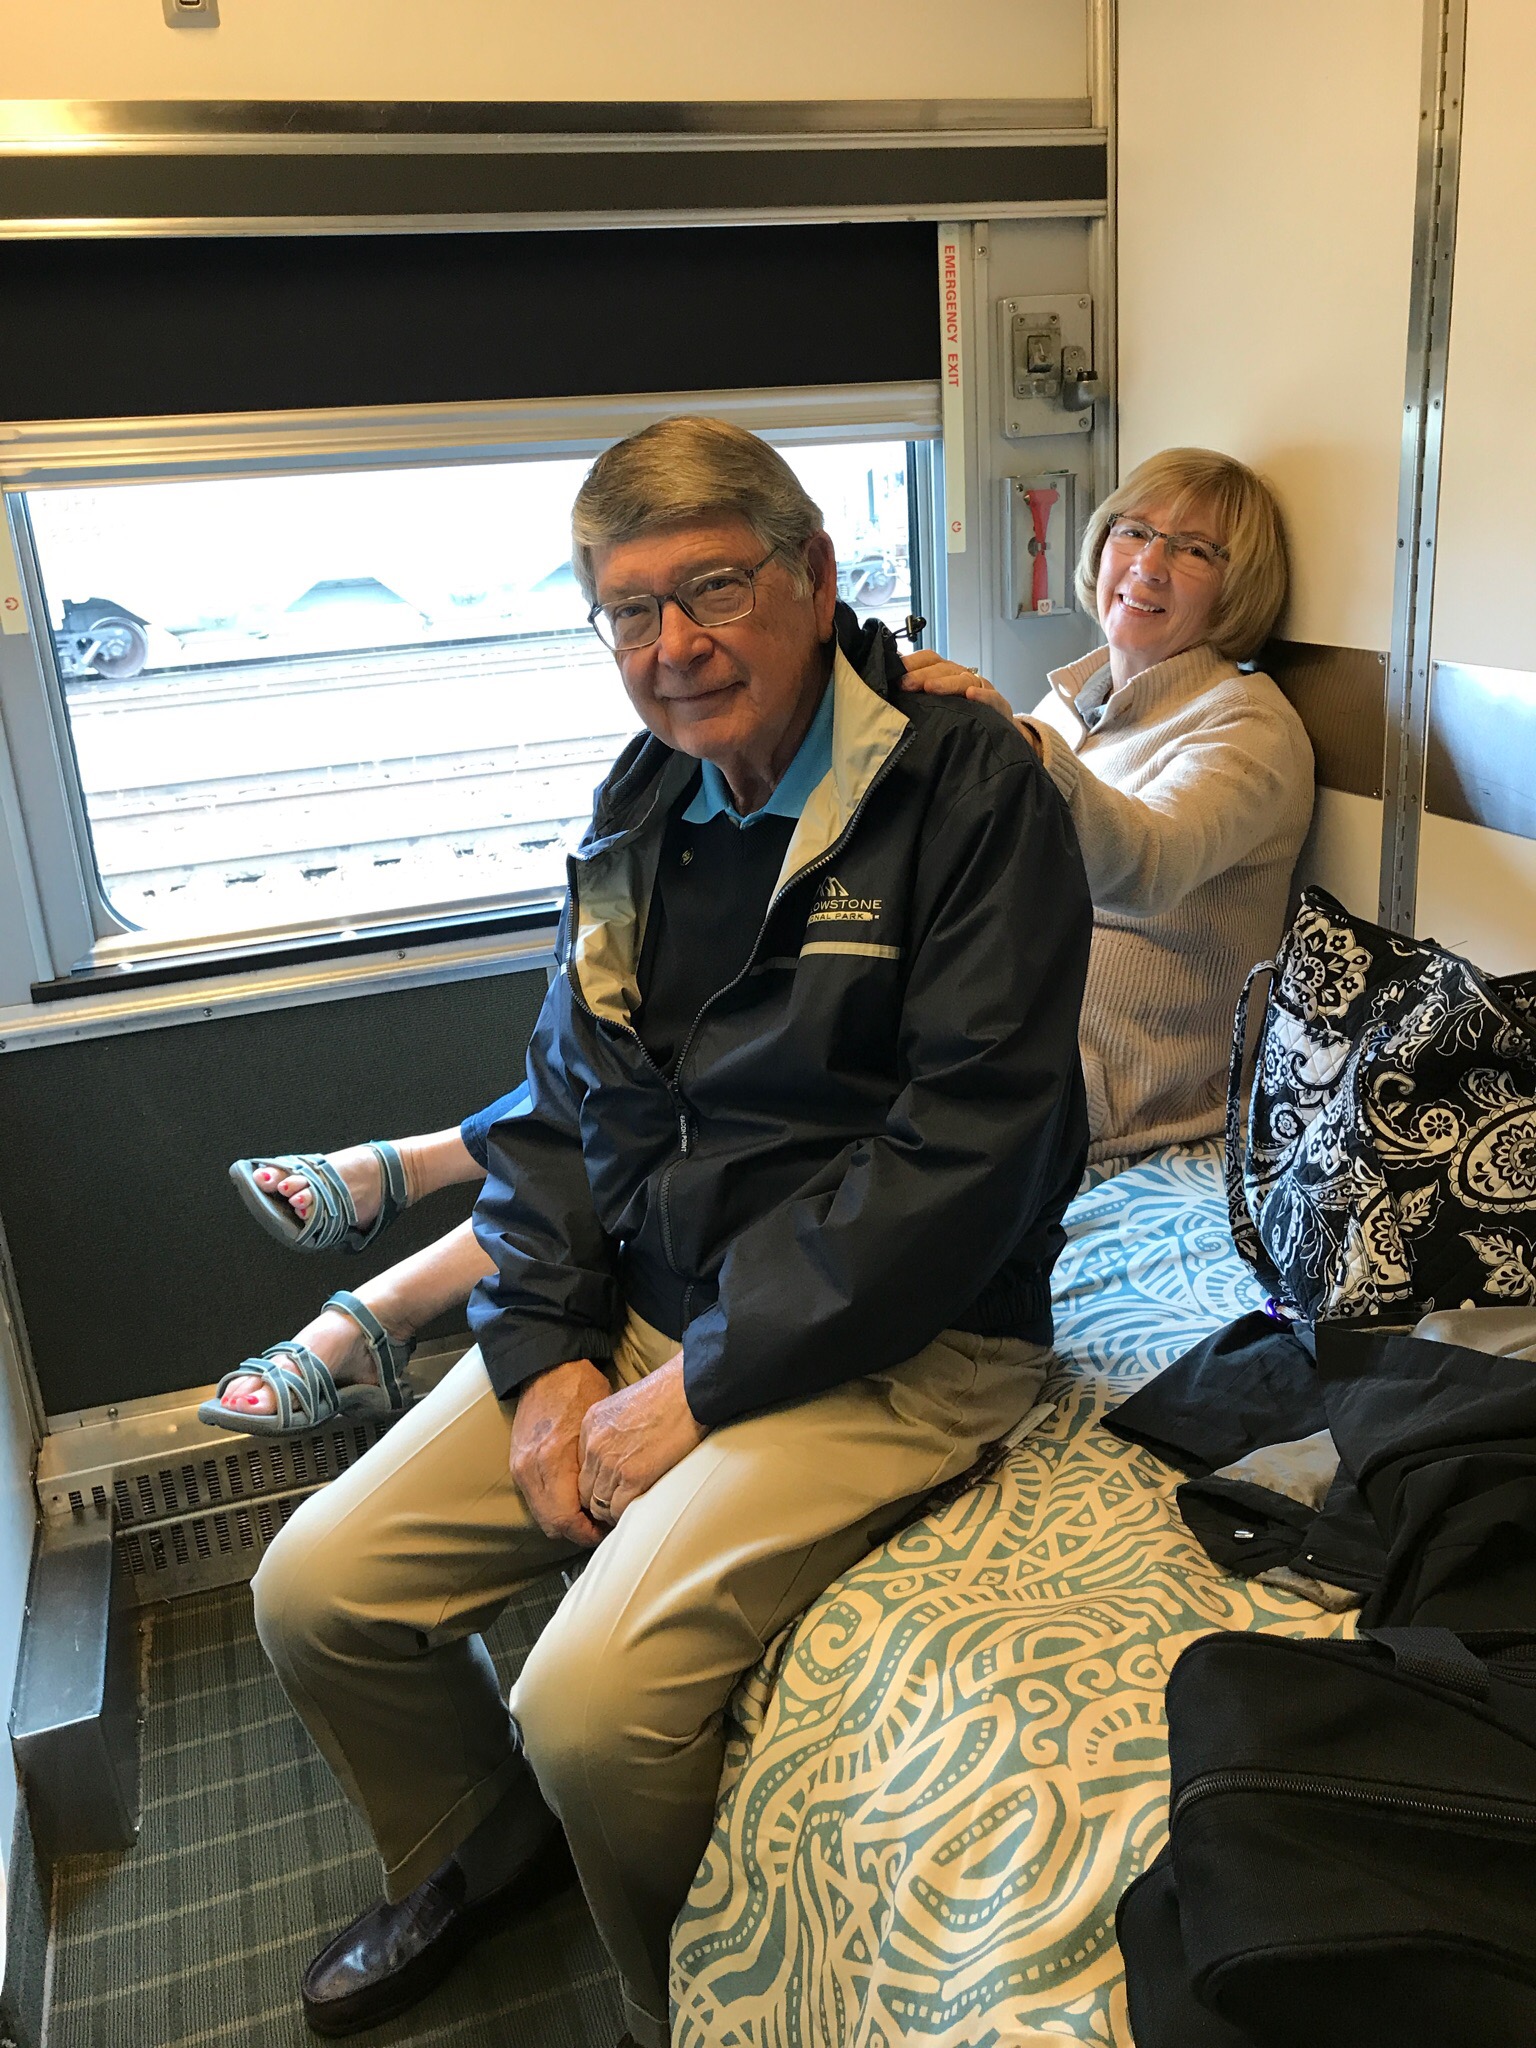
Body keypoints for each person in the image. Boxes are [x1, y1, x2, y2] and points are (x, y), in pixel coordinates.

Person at [246, 415, 1092, 2046]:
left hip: (904, 1331)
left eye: (711, 588)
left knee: (588, 1702)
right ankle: (486, 1845)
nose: (672, 646)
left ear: (815, 577)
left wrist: (697, 1385)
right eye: (628, 611)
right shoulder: (642, 807)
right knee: (317, 1589)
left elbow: (969, 1153)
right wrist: (548, 1351)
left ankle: (681, 2002)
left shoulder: (969, 791)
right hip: (657, 1299)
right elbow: (570, 1105)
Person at [903, 446, 1313, 1174]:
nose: (1149, 564)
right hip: (999, 1040)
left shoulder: (1248, 724)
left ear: (1238, 587)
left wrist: (1017, 748)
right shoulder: (1069, 706)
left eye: (1195, 550)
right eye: (1134, 531)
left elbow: (1150, 865)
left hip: (1107, 1093)